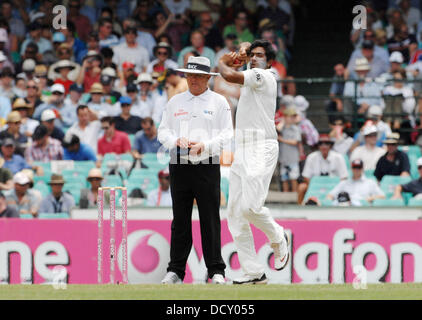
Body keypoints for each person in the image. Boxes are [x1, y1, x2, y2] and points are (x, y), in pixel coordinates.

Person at [218, 39, 289, 284]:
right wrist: (244, 49)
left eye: (260, 55)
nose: (255, 58)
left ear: (269, 61)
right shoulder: (252, 73)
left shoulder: (265, 76)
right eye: (253, 56)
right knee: (235, 214)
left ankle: (278, 235)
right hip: (244, 147)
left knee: (250, 207)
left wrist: (224, 61)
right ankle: (254, 272)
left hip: (262, 146)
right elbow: (244, 52)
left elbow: (228, 75)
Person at [158, 56, 233, 285]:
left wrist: (206, 145)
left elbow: (228, 133)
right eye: (190, 75)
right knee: (179, 218)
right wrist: (175, 141)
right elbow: (163, 132)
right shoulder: (175, 102)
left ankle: (216, 270)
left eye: (198, 76)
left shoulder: (219, 102)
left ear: (207, 78)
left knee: (210, 217)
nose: (193, 80)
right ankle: (176, 271)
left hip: (207, 163)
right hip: (179, 162)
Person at [298, 134, 349, 205]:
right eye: (321, 144)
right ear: (318, 146)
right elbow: (306, 177)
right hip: (315, 187)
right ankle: (300, 209)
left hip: (334, 187)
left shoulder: (339, 157)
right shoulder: (311, 157)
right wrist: (315, 188)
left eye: (327, 143)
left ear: (330, 145)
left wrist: (333, 191)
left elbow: (344, 178)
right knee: (302, 187)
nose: (324, 146)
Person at [277, 107, 301, 192]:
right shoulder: (282, 128)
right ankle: (285, 198)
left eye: (293, 116)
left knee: (293, 178)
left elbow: (295, 142)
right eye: (290, 116)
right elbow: (278, 129)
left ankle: (295, 197)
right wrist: (283, 121)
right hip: (284, 158)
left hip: (293, 158)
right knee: (284, 178)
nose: (293, 118)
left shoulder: (295, 129)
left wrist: (282, 139)